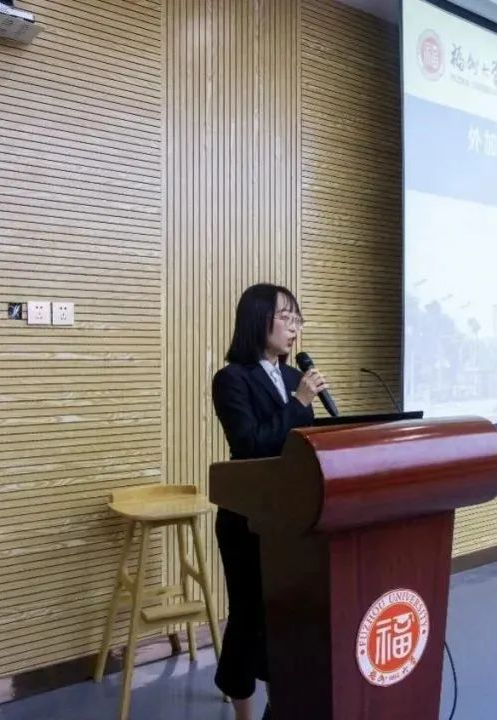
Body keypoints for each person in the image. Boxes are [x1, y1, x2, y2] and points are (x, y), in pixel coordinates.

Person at [210, 283, 328, 720]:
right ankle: (242, 710)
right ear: (258, 319)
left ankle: (280, 708)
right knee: (249, 616)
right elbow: (250, 443)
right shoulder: (231, 379)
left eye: (297, 318)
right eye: (285, 317)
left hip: (291, 516)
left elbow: (302, 446)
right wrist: (298, 403)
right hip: (248, 517)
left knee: (284, 616)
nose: (294, 327)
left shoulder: (296, 378)